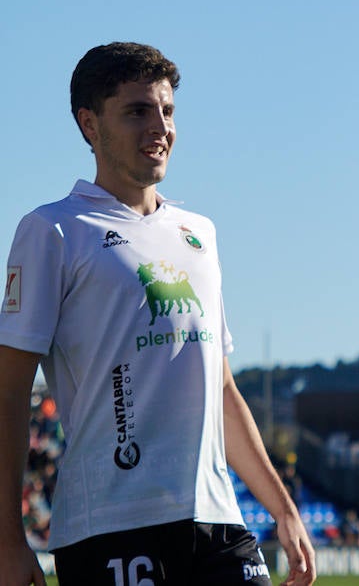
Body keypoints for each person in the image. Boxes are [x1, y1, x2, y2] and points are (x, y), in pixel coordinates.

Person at [0, 42, 315, 586]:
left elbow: (220, 390)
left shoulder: (200, 234)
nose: (160, 127)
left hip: (218, 522)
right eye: (138, 111)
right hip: (111, 527)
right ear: (89, 125)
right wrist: (7, 539)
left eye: (167, 111)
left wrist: (282, 509)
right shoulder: (53, 230)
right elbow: (8, 394)